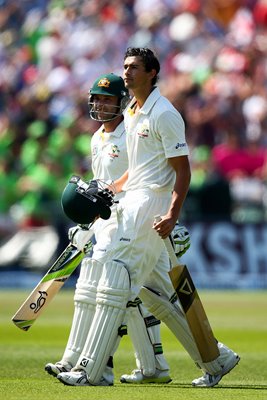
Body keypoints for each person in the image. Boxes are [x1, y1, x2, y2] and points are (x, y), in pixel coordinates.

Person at [56, 48, 240, 388]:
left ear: (152, 72)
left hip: (151, 205)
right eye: (125, 66)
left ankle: (91, 371)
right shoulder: (132, 110)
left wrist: (173, 214)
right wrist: (109, 189)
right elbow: (136, 169)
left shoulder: (164, 113)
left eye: (134, 67)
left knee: (115, 277)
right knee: (155, 293)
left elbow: (182, 171)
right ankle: (216, 359)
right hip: (133, 202)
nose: (126, 72)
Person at [44, 72, 191, 385]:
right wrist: (89, 224)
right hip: (114, 224)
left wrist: (174, 218)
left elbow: (161, 175)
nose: (100, 104)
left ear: (122, 102)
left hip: (138, 222)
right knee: (127, 297)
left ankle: (98, 367)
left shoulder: (134, 131)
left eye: (107, 99)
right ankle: (153, 366)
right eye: (96, 98)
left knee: (122, 295)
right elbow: (103, 189)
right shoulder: (97, 138)